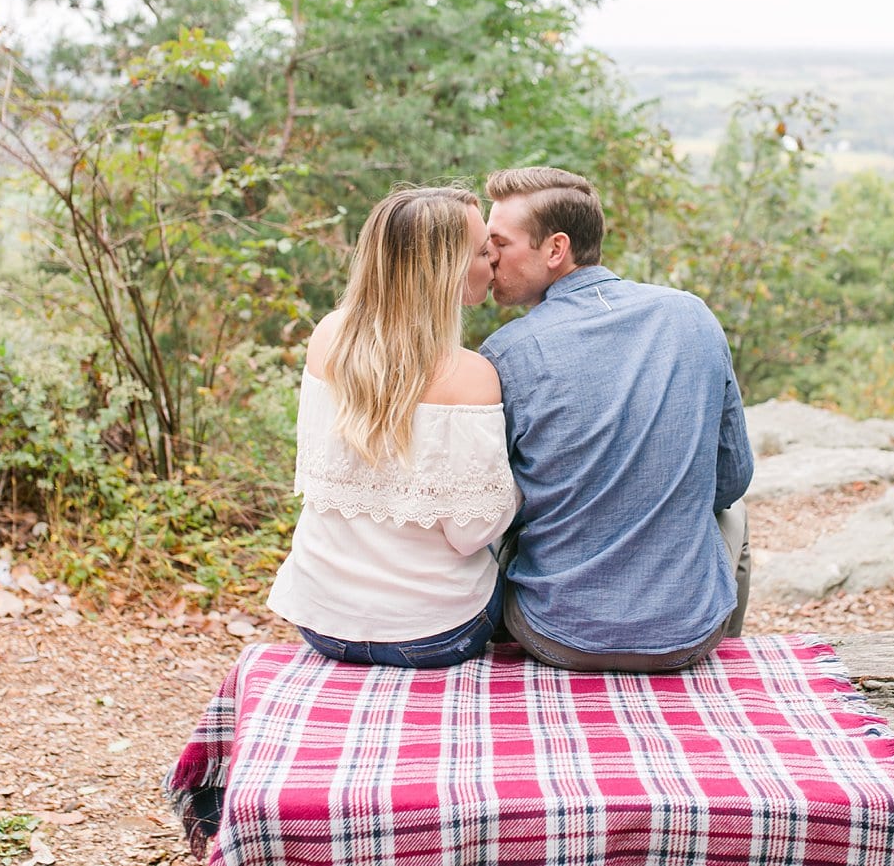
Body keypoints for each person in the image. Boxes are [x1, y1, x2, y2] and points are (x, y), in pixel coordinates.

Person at [478, 166, 753, 673]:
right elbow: (732, 478)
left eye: (499, 242)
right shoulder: (691, 315)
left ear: (555, 250)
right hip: (689, 638)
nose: (488, 257)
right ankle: (718, 639)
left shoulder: (506, 354)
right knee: (733, 515)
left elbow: (497, 506)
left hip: (553, 634)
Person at [267, 186, 519, 668]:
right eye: (483, 251)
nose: (493, 263)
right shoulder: (470, 376)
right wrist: (518, 489)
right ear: (443, 270)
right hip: (433, 633)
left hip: (321, 620)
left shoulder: (328, 337)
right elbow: (473, 532)